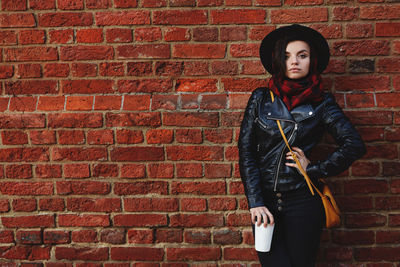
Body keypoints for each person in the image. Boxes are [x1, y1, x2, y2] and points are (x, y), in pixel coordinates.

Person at [238, 24, 366, 267]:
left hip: (303, 202)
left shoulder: (322, 104)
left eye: (302, 55)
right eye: (286, 56)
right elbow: (246, 153)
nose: (294, 62)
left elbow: (354, 145)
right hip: (265, 203)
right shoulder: (260, 99)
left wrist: (313, 168)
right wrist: (255, 202)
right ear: (278, 61)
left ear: (312, 61)